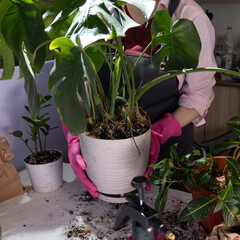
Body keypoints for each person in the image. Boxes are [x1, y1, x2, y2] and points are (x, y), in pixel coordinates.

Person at [63, 0, 216, 202]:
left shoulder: (188, 16)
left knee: (165, 217)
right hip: (106, 153)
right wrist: (74, 135)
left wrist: (160, 132)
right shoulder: (98, 12)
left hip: (167, 156)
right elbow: (74, 87)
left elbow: (199, 93)